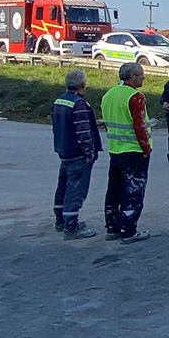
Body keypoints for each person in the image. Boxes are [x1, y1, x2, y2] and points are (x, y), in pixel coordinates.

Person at [101, 63, 152, 243]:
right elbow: (139, 126)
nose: (143, 78)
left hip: (115, 149)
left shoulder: (109, 94)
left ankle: (112, 227)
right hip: (133, 151)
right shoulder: (135, 97)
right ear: (131, 76)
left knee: (114, 190)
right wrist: (146, 148)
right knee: (133, 191)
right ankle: (128, 230)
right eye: (140, 75)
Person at [51, 71, 101, 238]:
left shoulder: (59, 100)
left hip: (63, 150)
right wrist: (89, 152)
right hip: (77, 153)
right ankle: (71, 226)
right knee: (76, 189)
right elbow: (83, 131)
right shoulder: (78, 103)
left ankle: (61, 220)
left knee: (63, 186)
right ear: (82, 85)